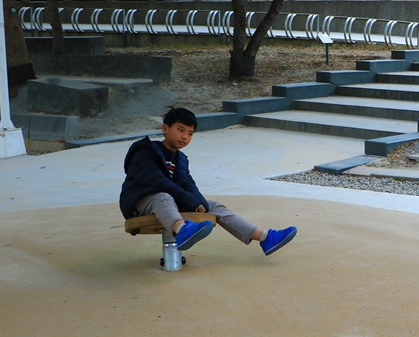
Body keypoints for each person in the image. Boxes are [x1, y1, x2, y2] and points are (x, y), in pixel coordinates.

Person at [119, 107, 297, 255]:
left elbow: (188, 184)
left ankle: (265, 238)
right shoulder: (145, 151)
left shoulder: (181, 159)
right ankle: (182, 231)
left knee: (213, 206)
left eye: (190, 133)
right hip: (140, 202)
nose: (185, 137)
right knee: (163, 196)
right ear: (165, 128)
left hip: (169, 200)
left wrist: (199, 203)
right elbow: (157, 181)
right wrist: (189, 200)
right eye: (180, 130)